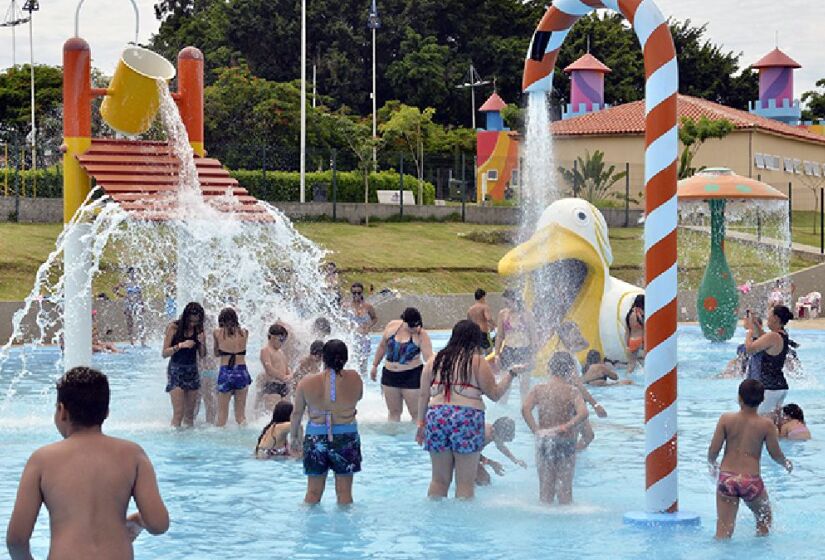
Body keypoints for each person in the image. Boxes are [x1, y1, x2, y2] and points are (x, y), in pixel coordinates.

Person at [6, 367, 169, 560]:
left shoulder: (42, 460)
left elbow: (16, 539)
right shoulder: (132, 454)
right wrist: (139, 520)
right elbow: (159, 524)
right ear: (106, 412)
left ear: (61, 411)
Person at [416, 320, 521, 499]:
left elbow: (423, 395)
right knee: (465, 483)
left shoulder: (435, 359)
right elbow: (494, 394)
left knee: (438, 481)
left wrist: (420, 424)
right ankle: (461, 527)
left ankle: (435, 521)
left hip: (436, 416)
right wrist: (511, 375)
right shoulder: (477, 361)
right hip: (466, 417)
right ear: (474, 340)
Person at [707, 379, 793, 539]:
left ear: (739, 398)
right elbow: (775, 454)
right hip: (751, 481)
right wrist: (786, 463)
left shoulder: (726, 419)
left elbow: (713, 449)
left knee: (723, 531)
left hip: (727, 479)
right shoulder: (767, 425)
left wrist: (712, 464)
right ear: (762, 400)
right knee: (764, 521)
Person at [290, 340, 364, 505]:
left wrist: (293, 437)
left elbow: (296, 413)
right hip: (346, 436)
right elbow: (358, 397)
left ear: (323, 358)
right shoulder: (355, 378)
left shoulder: (307, 382)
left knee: (313, 494)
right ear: (345, 358)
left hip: (316, 438)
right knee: (345, 495)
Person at [522, 352, 589, 505]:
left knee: (545, 491)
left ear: (549, 368)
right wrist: (568, 425)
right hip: (566, 440)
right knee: (565, 491)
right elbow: (583, 413)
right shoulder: (572, 391)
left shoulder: (539, 389)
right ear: (570, 370)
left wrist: (536, 430)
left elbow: (525, 409)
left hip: (545, 440)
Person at [371, 307, 433, 422]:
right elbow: (382, 346)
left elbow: (429, 358)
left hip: (412, 375)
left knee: (416, 414)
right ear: (404, 321)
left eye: (417, 325)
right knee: (394, 413)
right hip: (390, 375)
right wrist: (375, 365)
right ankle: (393, 439)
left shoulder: (421, 335)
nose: (414, 329)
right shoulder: (392, 326)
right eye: (411, 326)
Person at [162, 302, 207, 428]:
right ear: (185, 317)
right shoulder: (174, 328)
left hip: (192, 371)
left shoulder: (198, 329)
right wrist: (180, 346)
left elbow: (203, 355)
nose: (193, 324)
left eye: (196, 322)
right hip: (176, 370)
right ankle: (175, 444)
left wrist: (202, 343)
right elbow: (164, 353)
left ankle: (187, 446)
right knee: (178, 413)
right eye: (191, 321)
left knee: (190, 415)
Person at [744, 305, 793, 417]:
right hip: (778, 388)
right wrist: (755, 323)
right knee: (772, 425)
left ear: (775, 318)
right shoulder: (781, 335)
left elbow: (750, 349)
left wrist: (749, 332)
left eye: (769, 315)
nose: (767, 318)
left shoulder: (773, 336)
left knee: (759, 423)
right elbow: (763, 337)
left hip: (769, 389)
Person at [214, 307, 252, 427]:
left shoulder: (217, 332)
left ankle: (218, 444)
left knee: (222, 416)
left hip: (226, 372)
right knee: (241, 416)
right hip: (242, 371)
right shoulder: (244, 332)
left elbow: (216, 353)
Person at [494, 289, 536, 397]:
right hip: (508, 350)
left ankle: (522, 409)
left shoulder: (527, 315)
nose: (506, 305)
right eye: (505, 303)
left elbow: (533, 337)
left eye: (507, 302)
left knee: (524, 387)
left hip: (524, 350)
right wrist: (497, 354)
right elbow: (499, 336)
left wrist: (533, 355)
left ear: (515, 300)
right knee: (504, 386)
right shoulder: (503, 314)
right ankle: (503, 410)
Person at [476, 417, 527, 486]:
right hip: (461, 453)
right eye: (501, 438)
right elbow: (470, 454)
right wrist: (490, 463)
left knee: (485, 480)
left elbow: (501, 446)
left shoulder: (494, 432)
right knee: (483, 480)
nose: (500, 441)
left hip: (468, 453)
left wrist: (515, 460)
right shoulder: (483, 435)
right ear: (493, 430)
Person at [256, 324, 293, 413]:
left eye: (284, 340)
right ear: (272, 337)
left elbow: (287, 368)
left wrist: (290, 376)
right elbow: (269, 369)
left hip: (284, 387)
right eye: (281, 339)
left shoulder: (281, 352)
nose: (283, 342)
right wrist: (283, 377)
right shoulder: (266, 350)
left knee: (288, 416)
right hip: (272, 386)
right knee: (273, 415)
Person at [346, 282, 377, 376]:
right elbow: (341, 319)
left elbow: (375, 318)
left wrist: (368, 326)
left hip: (364, 338)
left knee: (363, 363)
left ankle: (363, 382)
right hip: (351, 337)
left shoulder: (367, 306)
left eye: (359, 293)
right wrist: (347, 327)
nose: (356, 295)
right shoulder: (347, 306)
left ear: (362, 293)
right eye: (354, 293)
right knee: (350, 360)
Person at [113, 266, 146, 346]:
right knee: (130, 323)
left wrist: (142, 304)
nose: (133, 274)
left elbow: (140, 294)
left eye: (134, 273)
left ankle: (142, 342)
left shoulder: (139, 282)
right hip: (128, 304)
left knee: (141, 322)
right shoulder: (125, 282)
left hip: (137, 304)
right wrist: (123, 296)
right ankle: (131, 342)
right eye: (131, 273)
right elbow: (114, 289)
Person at [468, 288, 494, 354]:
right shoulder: (484, 307)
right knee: (489, 350)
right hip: (483, 333)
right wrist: (492, 326)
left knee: (477, 351)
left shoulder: (470, 309)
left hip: (473, 333)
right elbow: (488, 318)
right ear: (482, 297)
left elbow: (469, 322)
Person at [625, 294, 644, 373]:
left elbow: (627, 332)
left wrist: (627, 345)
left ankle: (627, 378)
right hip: (642, 339)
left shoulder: (629, 314)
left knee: (631, 364)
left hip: (632, 340)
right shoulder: (640, 313)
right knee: (647, 361)